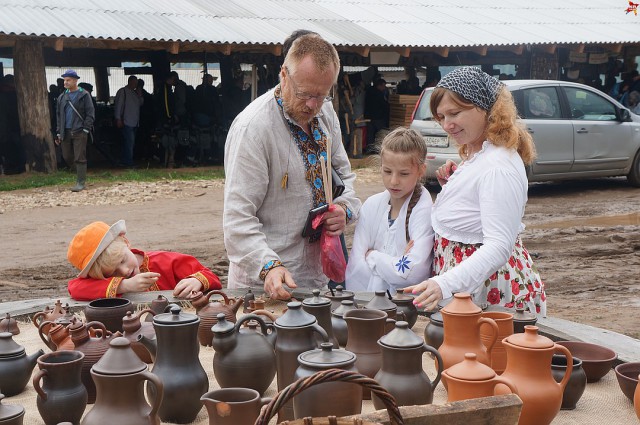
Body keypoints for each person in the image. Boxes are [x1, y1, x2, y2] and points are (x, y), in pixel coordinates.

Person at [223, 33, 361, 300]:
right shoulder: (253, 129)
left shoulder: (326, 113)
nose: (312, 105)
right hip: (263, 286)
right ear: (283, 75)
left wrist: (344, 209)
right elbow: (237, 220)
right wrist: (269, 267)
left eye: (321, 95)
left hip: (316, 278)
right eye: (304, 94)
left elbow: (346, 180)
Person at [405, 67, 547, 316]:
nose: (447, 125)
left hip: (490, 293)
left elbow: (499, 246)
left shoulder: (498, 167)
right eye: (440, 117)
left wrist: (443, 283)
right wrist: (455, 186)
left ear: (484, 107)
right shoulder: (479, 151)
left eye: (455, 113)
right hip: (471, 286)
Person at [346, 127, 434, 293]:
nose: (394, 181)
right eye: (387, 171)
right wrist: (396, 261)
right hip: (366, 302)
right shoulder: (371, 205)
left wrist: (373, 256)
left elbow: (411, 273)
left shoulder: (423, 209)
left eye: (404, 174)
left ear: (421, 171)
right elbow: (357, 265)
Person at [67, 220, 221, 301]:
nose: (125, 271)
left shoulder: (165, 261)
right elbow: (75, 288)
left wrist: (197, 281)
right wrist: (124, 286)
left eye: (123, 260)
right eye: (113, 272)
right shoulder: (105, 279)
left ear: (126, 242)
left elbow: (210, 276)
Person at [55, 69, 95, 192]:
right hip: (65, 131)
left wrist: (86, 129)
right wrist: (58, 132)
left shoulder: (84, 95)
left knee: (80, 157)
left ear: (75, 81)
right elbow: (58, 115)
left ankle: (80, 182)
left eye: (68, 80)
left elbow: (90, 113)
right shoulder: (62, 96)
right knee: (66, 155)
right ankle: (79, 173)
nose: (65, 82)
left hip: (79, 131)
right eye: (64, 80)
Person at [114, 75, 144, 167]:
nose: (135, 85)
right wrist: (118, 118)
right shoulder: (123, 91)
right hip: (126, 121)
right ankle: (128, 162)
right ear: (130, 82)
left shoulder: (135, 93)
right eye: (134, 83)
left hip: (134, 121)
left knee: (130, 142)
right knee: (129, 142)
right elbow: (118, 105)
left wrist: (139, 94)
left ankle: (126, 160)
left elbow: (141, 103)